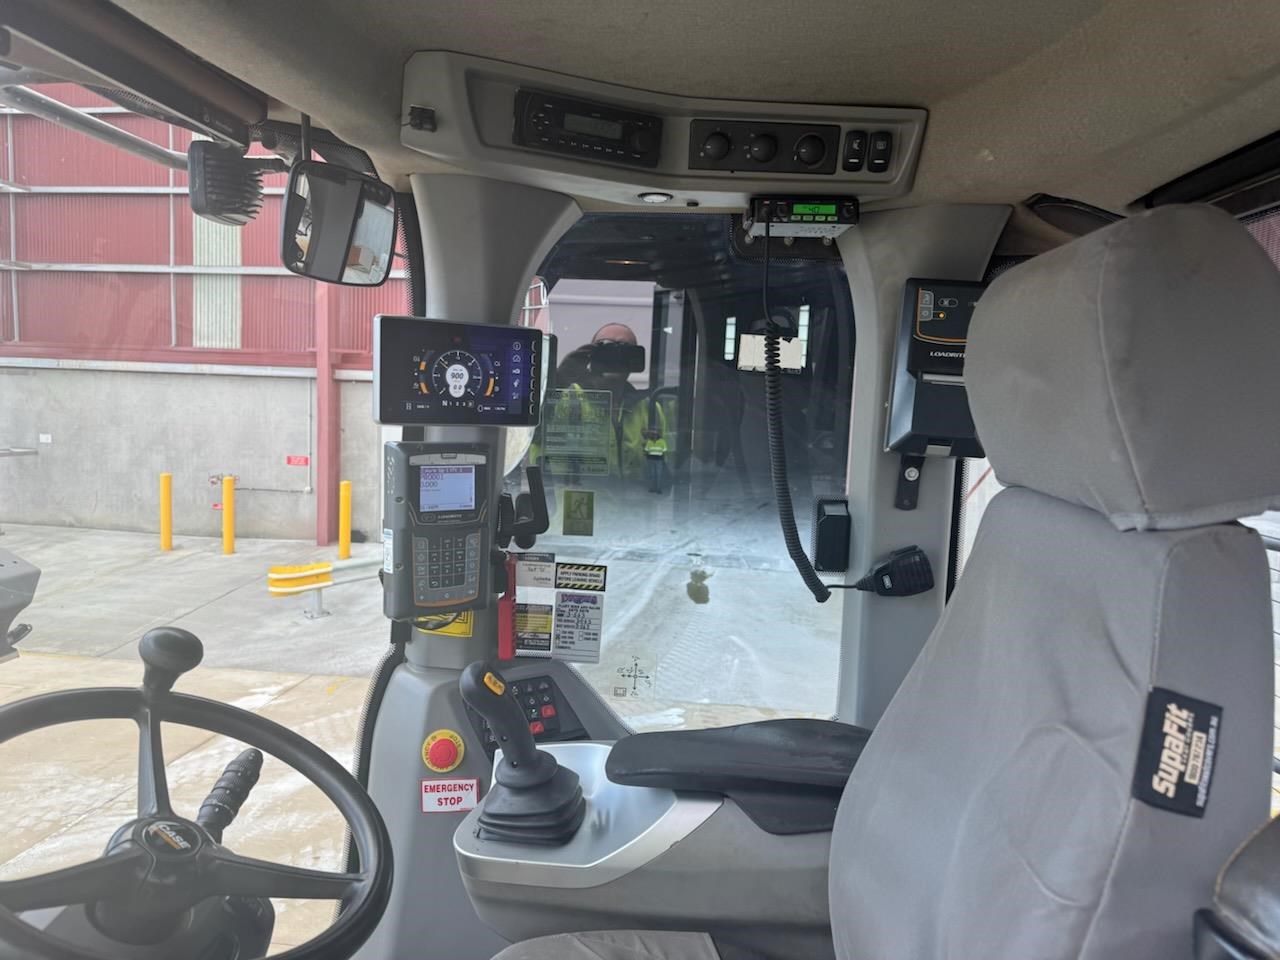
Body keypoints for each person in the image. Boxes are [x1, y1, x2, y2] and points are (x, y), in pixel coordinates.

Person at [541, 323, 667, 485]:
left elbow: (668, 472)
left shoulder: (651, 410)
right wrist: (558, 380)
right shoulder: (567, 400)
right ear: (591, 355)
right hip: (572, 501)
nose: (614, 356)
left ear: (633, 359)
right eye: (605, 348)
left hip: (636, 502)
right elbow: (532, 436)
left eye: (624, 349)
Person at [642, 427, 668, 494]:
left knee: (659, 474)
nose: (654, 435)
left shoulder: (662, 441)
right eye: (653, 434)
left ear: (658, 434)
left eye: (656, 434)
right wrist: (646, 456)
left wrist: (664, 459)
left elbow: (664, 451)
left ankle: (658, 488)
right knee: (652, 474)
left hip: (659, 460)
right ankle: (652, 488)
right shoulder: (649, 441)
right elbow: (646, 450)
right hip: (651, 460)